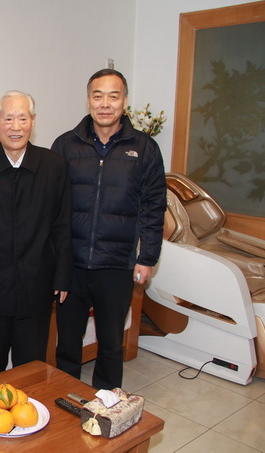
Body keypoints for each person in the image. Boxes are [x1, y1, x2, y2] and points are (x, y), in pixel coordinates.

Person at [51, 69, 167, 390]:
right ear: (88, 100)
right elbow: (50, 205)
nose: (105, 104)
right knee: (67, 343)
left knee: (111, 343)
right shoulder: (65, 144)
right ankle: (66, 399)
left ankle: (106, 404)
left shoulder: (145, 148)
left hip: (117, 264)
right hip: (71, 264)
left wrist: (147, 258)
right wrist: (52, 259)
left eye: (113, 96)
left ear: (125, 101)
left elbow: (154, 207)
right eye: (98, 96)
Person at [0, 90, 73, 381]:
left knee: (31, 372)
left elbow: (62, 225)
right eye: (8, 118)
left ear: (33, 121)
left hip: (37, 287)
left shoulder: (55, 166)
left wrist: (62, 276)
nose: (15, 126)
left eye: (22, 118)